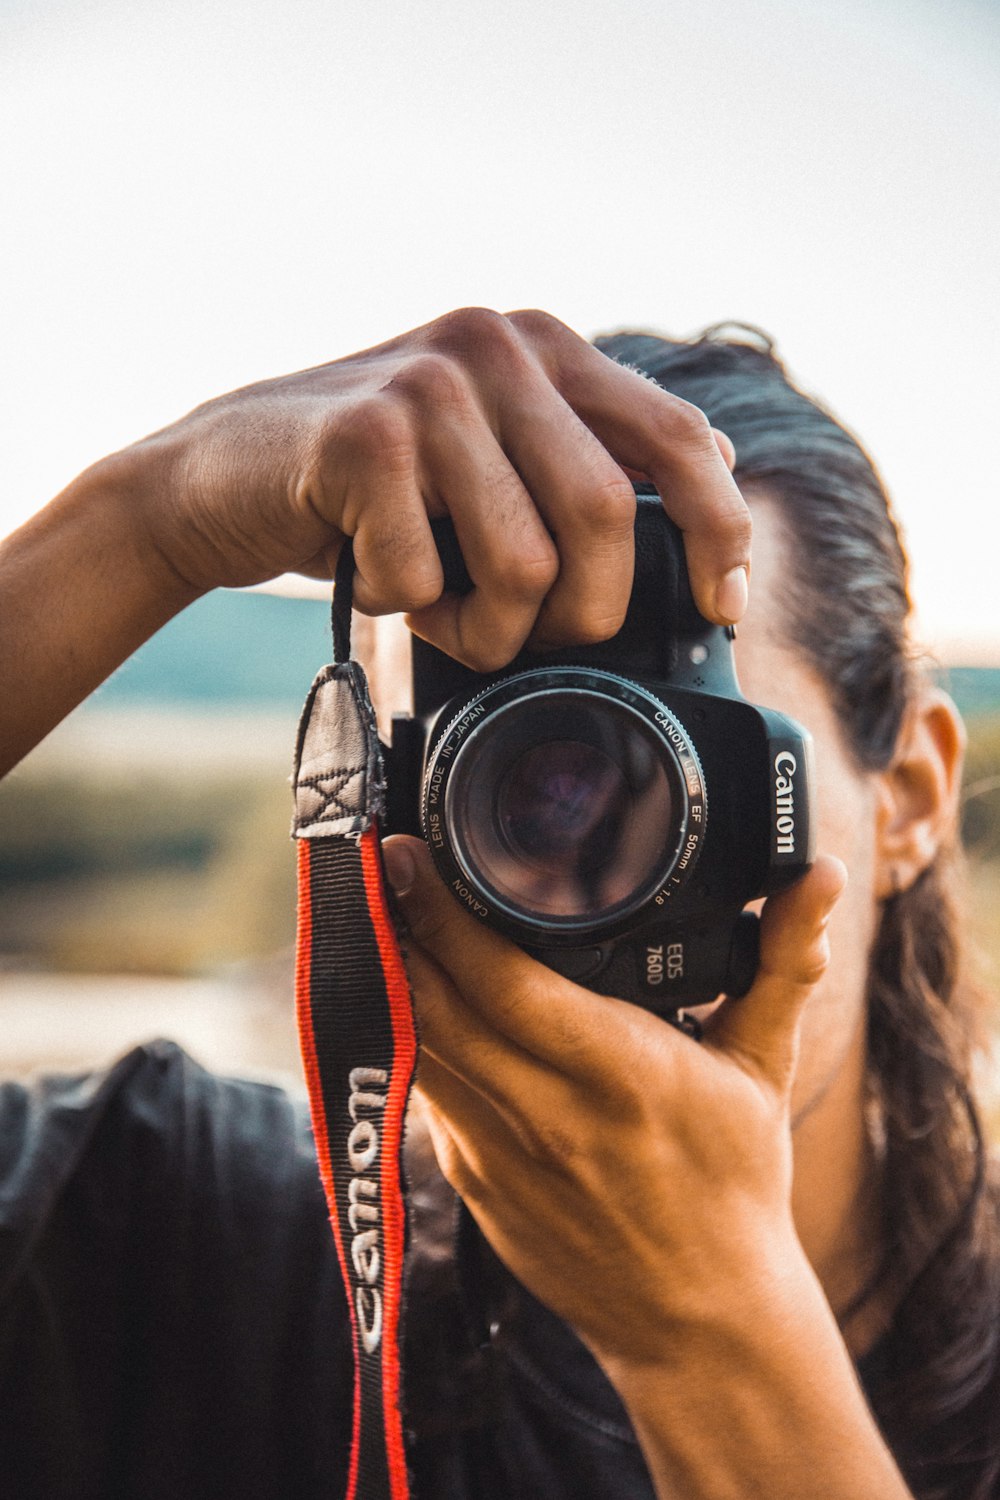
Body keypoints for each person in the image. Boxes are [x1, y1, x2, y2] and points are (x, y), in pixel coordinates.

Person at [0, 308, 994, 1499]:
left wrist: (708, 1333)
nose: (576, 873)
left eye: (679, 766)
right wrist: (143, 523)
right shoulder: (175, 1241)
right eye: (493, 773)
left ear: (914, 799)